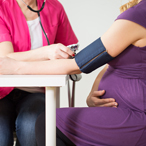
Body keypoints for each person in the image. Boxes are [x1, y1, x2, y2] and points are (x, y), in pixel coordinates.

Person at [0, 0, 146, 145]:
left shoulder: (138, 14)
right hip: (125, 109)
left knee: (45, 123)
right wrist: (92, 93)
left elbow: (81, 62)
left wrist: (17, 67)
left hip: (135, 113)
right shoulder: (137, 12)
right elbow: (108, 60)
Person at [0, 0, 79, 145]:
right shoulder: (2, 7)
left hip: (36, 92)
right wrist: (46, 52)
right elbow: (4, 59)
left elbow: (70, 51)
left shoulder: (55, 7)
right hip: (2, 93)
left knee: (30, 127)